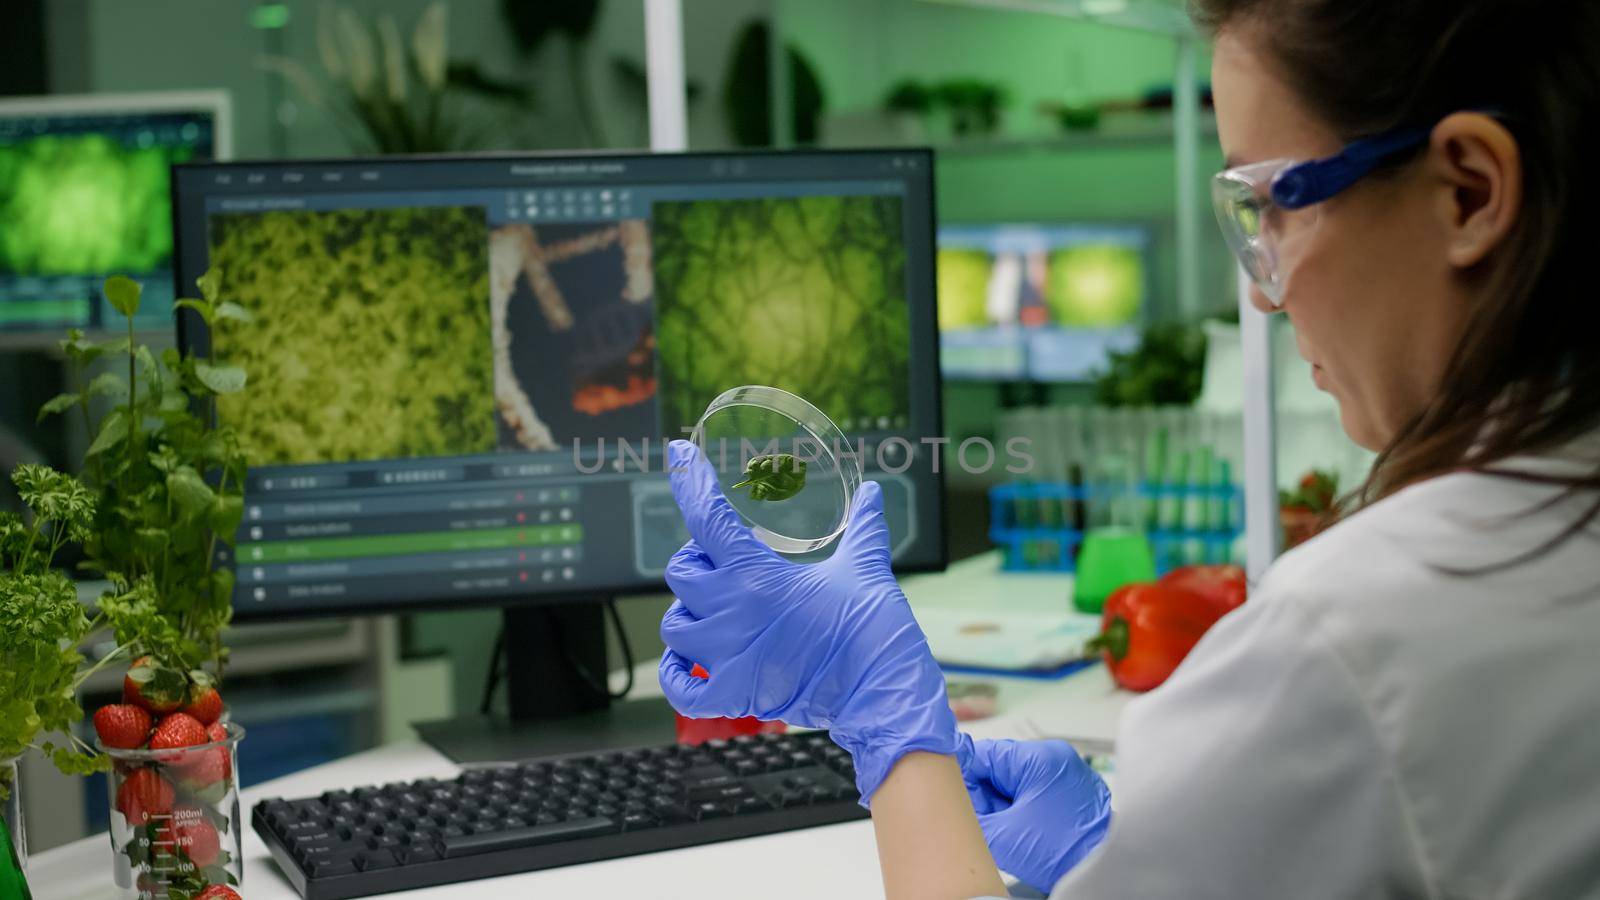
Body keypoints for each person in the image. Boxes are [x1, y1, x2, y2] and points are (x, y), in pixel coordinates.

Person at [657, 0, 1600, 896]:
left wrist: (890, 732)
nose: (1264, 293)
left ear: (1469, 191)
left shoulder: (1349, 640)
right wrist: (1115, 853)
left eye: (1274, 202)